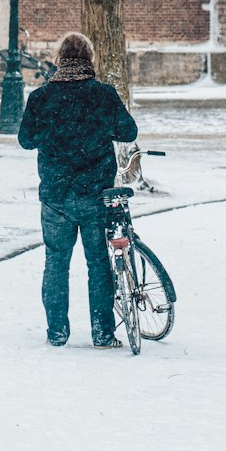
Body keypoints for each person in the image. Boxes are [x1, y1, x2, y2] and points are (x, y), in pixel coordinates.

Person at [18, 31, 137, 348]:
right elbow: (128, 131)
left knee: (55, 263)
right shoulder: (103, 95)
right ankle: (102, 332)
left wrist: (53, 134)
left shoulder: (41, 98)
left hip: (56, 195)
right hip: (96, 194)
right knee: (98, 263)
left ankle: (57, 331)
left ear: (59, 61)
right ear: (90, 60)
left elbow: (26, 140)